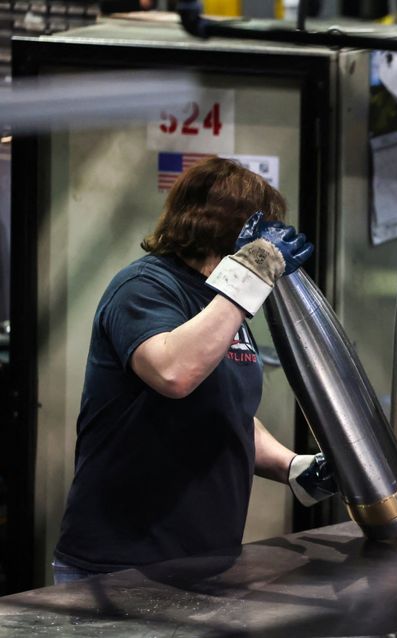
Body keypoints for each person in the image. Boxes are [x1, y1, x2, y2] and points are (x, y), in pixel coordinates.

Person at [52, 158, 335, 585]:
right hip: (122, 567)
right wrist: (252, 273)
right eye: (259, 228)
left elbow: (225, 407)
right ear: (227, 226)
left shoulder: (219, 302)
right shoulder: (144, 288)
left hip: (206, 562)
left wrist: (292, 467)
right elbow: (174, 373)